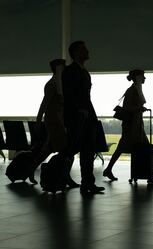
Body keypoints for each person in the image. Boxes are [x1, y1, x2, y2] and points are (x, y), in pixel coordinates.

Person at [62, 41, 104, 194]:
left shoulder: (83, 72)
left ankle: (87, 182)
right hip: (77, 116)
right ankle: (63, 176)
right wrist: (79, 110)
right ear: (75, 53)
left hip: (86, 115)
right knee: (74, 148)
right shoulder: (70, 71)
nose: (87, 51)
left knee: (88, 150)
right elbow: (70, 94)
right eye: (84, 49)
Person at [103, 69, 151, 181]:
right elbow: (127, 107)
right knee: (142, 147)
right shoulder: (132, 90)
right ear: (138, 77)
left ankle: (149, 171)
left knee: (132, 147)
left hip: (135, 124)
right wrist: (139, 108)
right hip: (131, 125)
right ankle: (149, 171)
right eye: (143, 76)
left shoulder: (136, 89)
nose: (144, 78)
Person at [28, 59, 70, 185]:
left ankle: (31, 169)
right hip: (54, 120)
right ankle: (63, 177)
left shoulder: (58, 84)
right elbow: (44, 104)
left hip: (57, 120)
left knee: (49, 148)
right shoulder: (52, 85)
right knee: (64, 148)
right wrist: (38, 121)